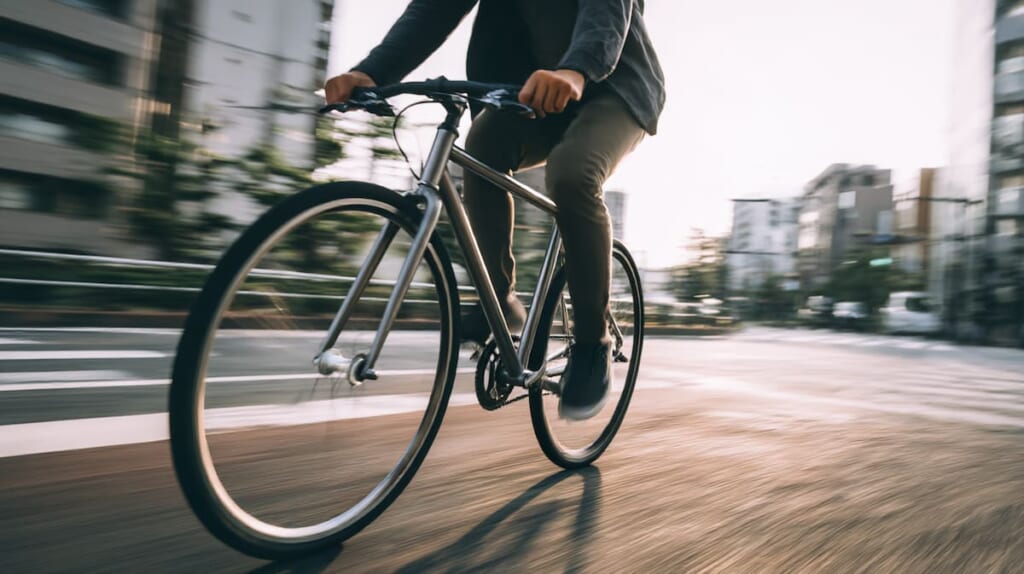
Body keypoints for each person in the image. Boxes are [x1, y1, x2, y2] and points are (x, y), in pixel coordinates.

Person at [324, 0, 665, 420]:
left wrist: (576, 70)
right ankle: (500, 300)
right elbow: (431, 12)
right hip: (536, 90)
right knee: (481, 148)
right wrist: (371, 73)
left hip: (614, 87)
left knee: (572, 175)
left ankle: (593, 344)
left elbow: (606, 14)